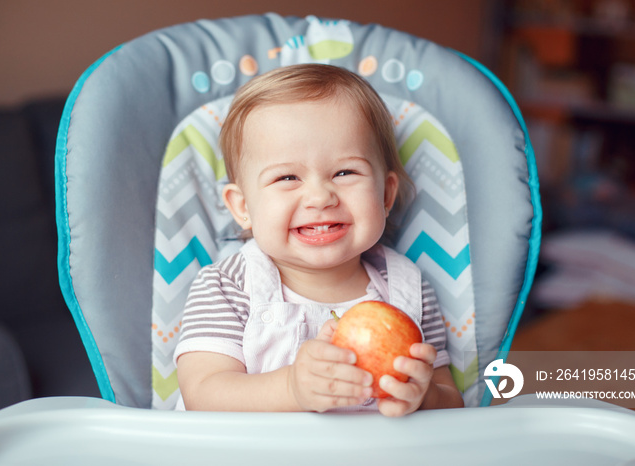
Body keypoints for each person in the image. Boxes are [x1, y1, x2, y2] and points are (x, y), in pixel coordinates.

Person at [174, 64, 463, 416]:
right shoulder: (227, 287)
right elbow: (202, 394)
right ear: (243, 207)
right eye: (287, 177)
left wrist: (425, 397)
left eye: (345, 172)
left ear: (386, 196)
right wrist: (291, 388)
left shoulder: (408, 291)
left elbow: (451, 401)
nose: (320, 197)